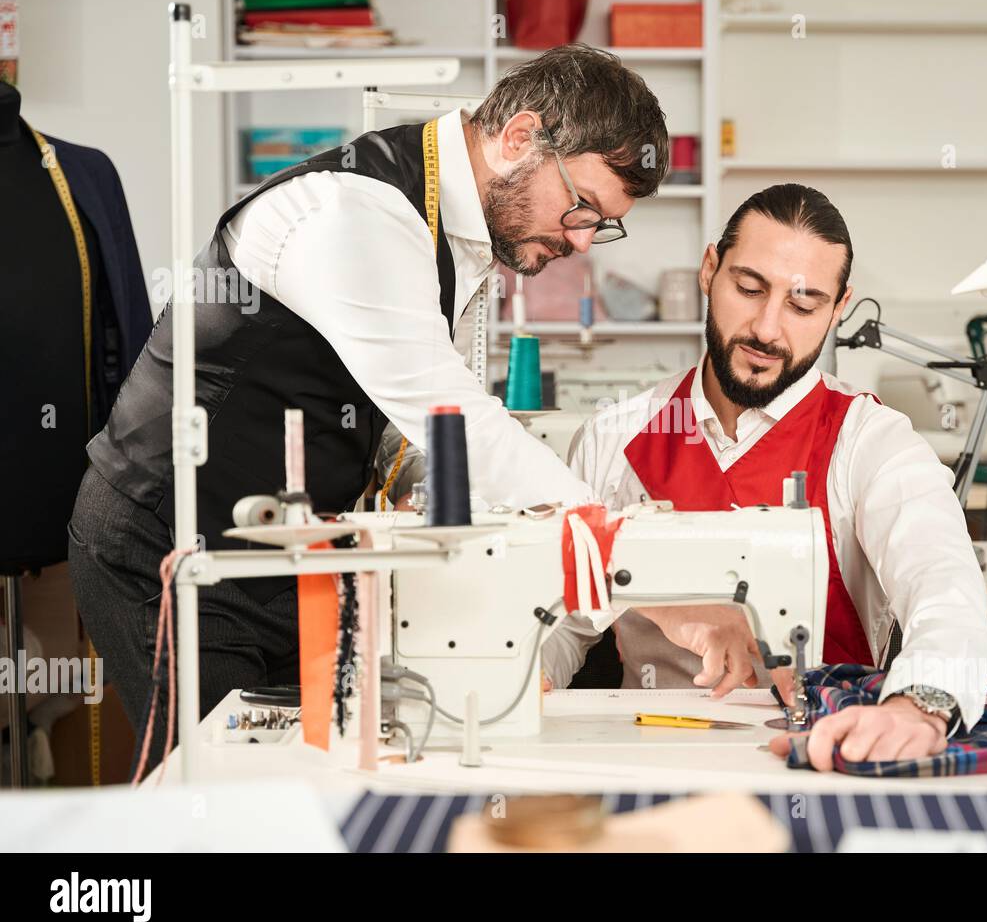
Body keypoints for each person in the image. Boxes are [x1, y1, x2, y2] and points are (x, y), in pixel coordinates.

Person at [68, 45, 668, 754]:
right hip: (168, 547)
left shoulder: (447, 220)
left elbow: (392, 411)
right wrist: (650, 571)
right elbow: (453, 419)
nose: (581, 241)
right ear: (518, 139)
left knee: (314, 778)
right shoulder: (353, 213)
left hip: (282, 558)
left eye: (602, 224)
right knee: (228, 801)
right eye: (582, 208)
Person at [546, 184, 987, 765]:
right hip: (640, 750)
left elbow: (945, 586)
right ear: (710, 269)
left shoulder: (871, 443)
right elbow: (557, 615)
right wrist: (531, 675)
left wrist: (920, 704)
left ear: (838, 308)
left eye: (804, 306)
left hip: (825, 751)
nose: (766, 328)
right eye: (748, 288)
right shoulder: (614, 437)